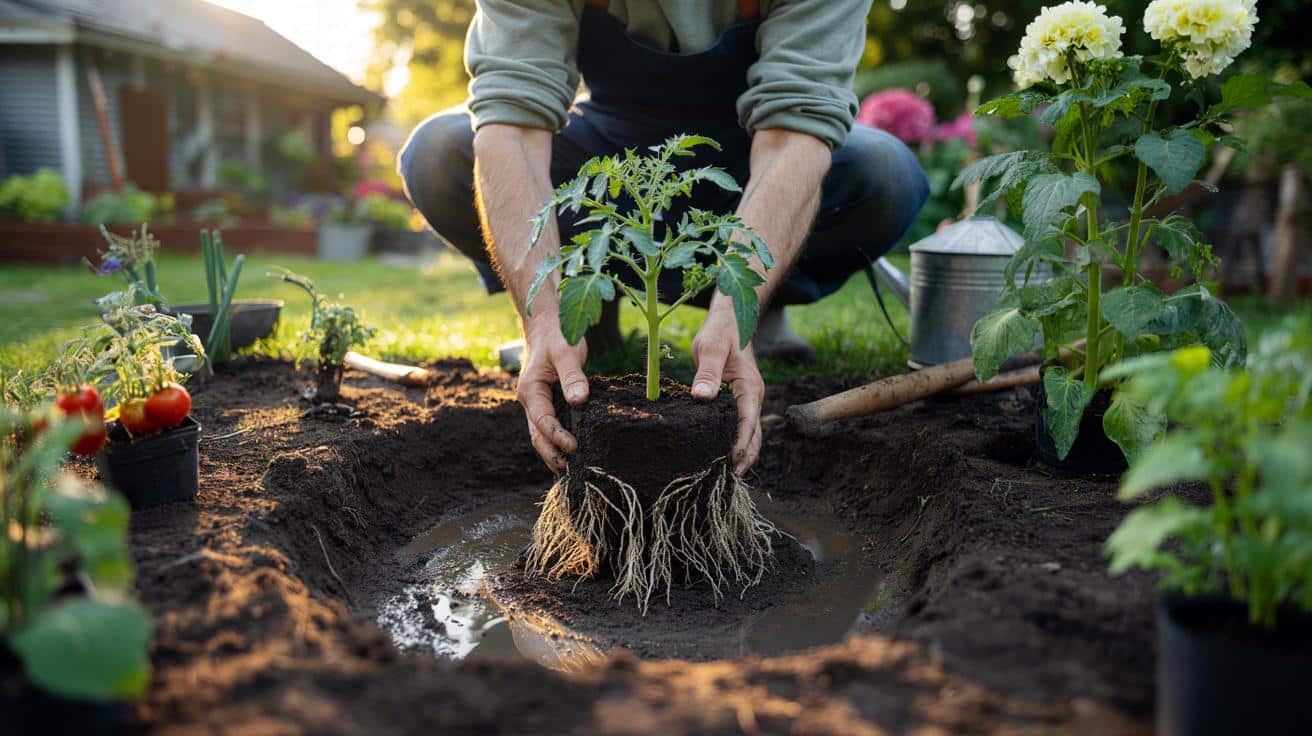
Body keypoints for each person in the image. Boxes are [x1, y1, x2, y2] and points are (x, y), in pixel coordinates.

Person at [399, 0, 929, 476]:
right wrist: (543, 316)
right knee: (440, 152)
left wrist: (736, 309)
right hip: (607, 148)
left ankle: (754, 314)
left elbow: (796, 131)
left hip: (749, 156)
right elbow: (511, 125)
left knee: (881, 174)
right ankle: (581, 319)